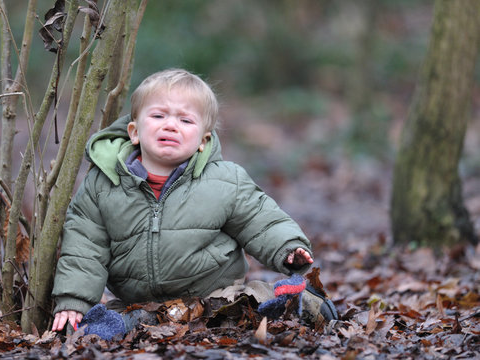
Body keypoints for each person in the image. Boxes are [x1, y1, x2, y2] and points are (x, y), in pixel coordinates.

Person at [51, 68, 333, 334]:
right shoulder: (104, 184)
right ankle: (123, 325)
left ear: (203, 139)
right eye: (159, 116)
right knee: (109, 324)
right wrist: (74, 301)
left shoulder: (224, 180)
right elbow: (84, 247)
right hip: (138, 302)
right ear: (134, 132)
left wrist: (286, 247)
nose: (171, 125)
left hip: (214, 295)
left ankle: (296, 302)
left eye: (185, 120)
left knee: (247, 303)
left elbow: (259, 219)